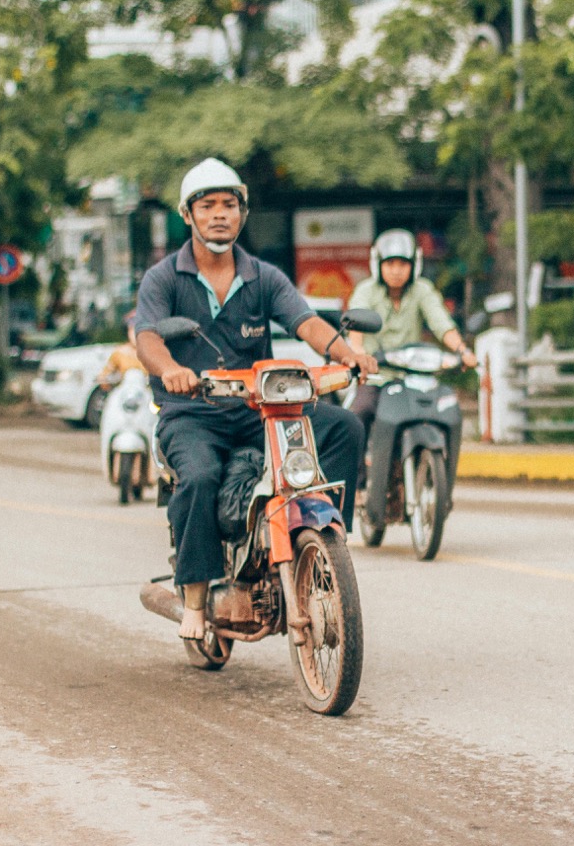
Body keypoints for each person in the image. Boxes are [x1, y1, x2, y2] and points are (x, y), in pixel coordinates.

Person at [133, 158, 377, 642]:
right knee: (199, 477)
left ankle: (327, 544)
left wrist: (346, 352)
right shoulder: (163, 278)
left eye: (229, 205)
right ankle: (197, 598)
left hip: (257, 410)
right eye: (208, 206)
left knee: (343, 427)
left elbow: (304, 321)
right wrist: (172, 371)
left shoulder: (263, 276)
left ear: (242, 214)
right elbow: (147, 338)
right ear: (189, 215)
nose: (219, 214)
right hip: (192, 413)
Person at [346, 228, 478, 438]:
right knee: (358, 416)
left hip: (413, 378)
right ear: (378, 265)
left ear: (414, 265)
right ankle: (358, 472)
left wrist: (463, 351)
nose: (396, 271)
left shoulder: (422, 289)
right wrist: (359, 353)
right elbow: (355, 326)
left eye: (403, 264)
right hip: (373, 377)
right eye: (390, 264)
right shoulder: (366, 291)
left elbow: (441, 323)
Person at [95, 311, 144, 389]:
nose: (135, 335)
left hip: (146, 393)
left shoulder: (151, 352)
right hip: (125, 393)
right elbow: (106, 372)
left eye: (138, 331)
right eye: (131, 331)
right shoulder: (120, 352)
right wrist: (103, 379)